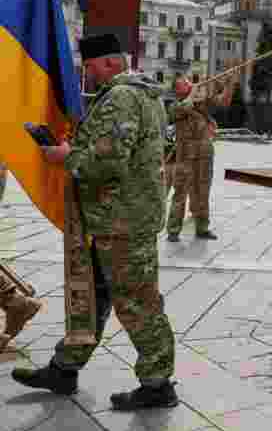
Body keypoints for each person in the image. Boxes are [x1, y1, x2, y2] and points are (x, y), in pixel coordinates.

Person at [13, 33, 178, 410]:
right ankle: (64, 368)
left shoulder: (121, 97)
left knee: (136, 301)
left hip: (122, 221)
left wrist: (65, 156)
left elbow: (108, 160)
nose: (86, 74)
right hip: (121, 216)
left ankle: (157, 385)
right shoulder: (146, 95)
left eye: (89, 67)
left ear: (109, 62)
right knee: (94, 295)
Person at [165, 72, 237, 243]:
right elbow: (184, 108)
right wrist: (193, 92)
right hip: (185, 154)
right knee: (180, 192)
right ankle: (173, 230)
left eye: (189, 81)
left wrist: (228, 85)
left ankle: (202, 227)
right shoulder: (175, 106)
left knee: (203, 191)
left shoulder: (201, 103)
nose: (190, 84)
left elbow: (224, 102)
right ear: (177, 90)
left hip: (204, 152)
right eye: (185, 83)